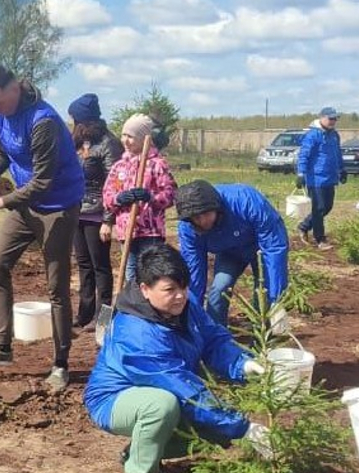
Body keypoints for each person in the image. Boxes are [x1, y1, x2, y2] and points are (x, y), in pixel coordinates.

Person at [84, 244, 270, 473]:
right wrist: (243, 427)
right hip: (114, 400)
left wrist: (243, 364)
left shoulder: (184, 304)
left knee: (213, 431)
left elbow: (212, 338)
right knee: (162, 405)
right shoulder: (136, 334)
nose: (180, 296)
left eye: (183, 286)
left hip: (170, 389)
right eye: (169, 289)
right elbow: (184, 391)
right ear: (145, 289)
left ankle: (139, 451)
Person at [0, 65, 85, 393]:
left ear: (15, 90)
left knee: (56, 286)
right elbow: (1, 153)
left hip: (58, 205)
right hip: (26, 204)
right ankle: (3, 346)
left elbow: (44, 182)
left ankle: (61, 364)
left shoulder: (43, 121)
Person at [174, 179, 289, 328]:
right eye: (196, 218)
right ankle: (215, 334)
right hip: (229, 253)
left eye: (206, 214)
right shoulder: (189, 228)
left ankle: (261, 331)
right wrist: (190, 312)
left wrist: (276, 300)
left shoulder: (245, 201)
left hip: (260, 248)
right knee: (220, 288)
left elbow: (274, 248)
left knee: (263, 291)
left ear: (216, 207)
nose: (202, 221)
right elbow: (194, 271)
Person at [68, 93, 123, 330]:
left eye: (75, 120)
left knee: (100, 266)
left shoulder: (108, 143)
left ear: (85, 120)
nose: (73, 124)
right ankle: (85, 313)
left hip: (98, 214)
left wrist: (108, 220)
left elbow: (115, 184)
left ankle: (103, 317)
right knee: (83, 265)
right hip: (77, 211)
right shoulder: (79, 144)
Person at [101, 113, 177, 284]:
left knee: (150, 275)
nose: (126, 140)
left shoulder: (157, 164)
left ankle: (150, 309)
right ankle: (131, 308)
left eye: (131, 137)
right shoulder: (119, 166)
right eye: (124, 135)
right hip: (126, 231)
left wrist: (151, 197)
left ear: (145, 140)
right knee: (131, 276)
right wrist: (119, 199)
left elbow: (170, 195)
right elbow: (107, 196)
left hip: (150, 233)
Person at [295, 106, 346, 250]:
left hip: (330, 177)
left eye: (335, 119)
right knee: (319, 208)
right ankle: (320, 240)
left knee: (327, 207)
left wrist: (342, 169)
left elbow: (337, 154)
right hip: (315, 178)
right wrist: (301, 174)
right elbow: (304, 155)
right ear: (322, 118)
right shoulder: (313, 135)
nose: (333, 121)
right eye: (330, 118)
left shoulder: (334, 135)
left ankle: (304, 226)